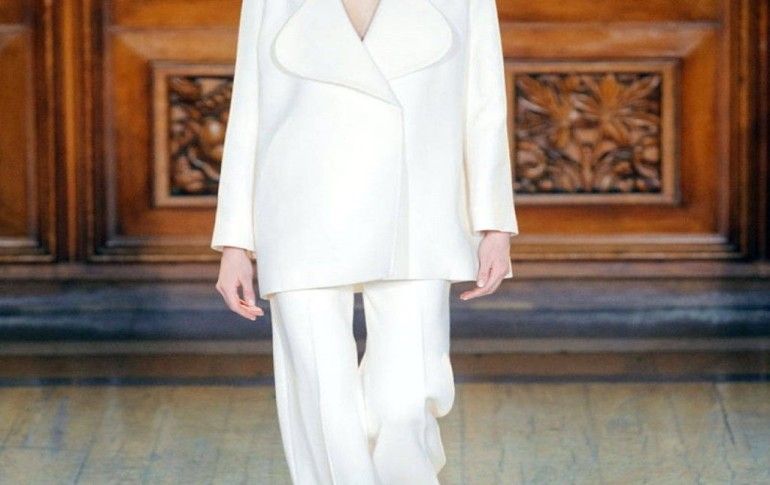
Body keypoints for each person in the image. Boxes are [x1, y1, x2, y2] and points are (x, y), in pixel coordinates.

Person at [212, 0, 519, 483]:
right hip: (299, 210)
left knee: (406, 397)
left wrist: (495, 225)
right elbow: (249, 110)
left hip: (419, 211)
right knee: (321, 397)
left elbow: (484, 106)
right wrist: (235, 241)